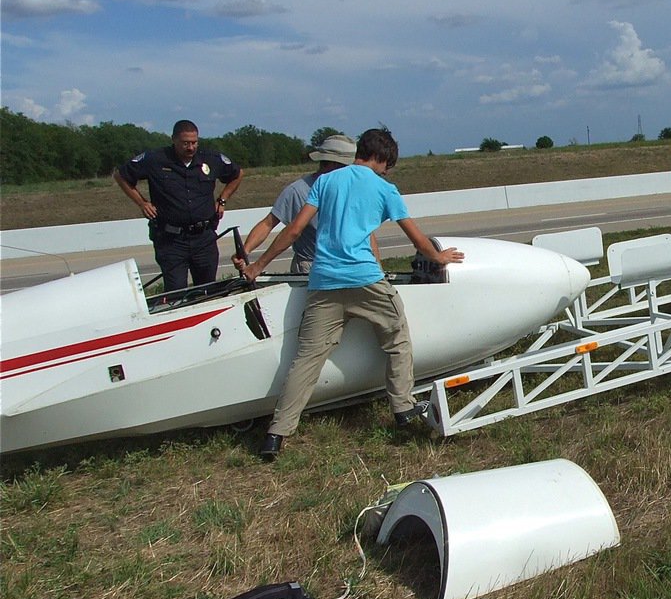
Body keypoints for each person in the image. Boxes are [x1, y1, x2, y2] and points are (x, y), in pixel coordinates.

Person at [242, 128, 464, 461]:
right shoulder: (385, 188)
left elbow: (294, 230)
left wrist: (258, 265)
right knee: (398, 338)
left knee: (306, 361)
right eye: (388, 166)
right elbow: (416, 239)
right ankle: (403, 407)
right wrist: (438, 257)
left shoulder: (324, 183)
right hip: (364, 279)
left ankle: (276, 434)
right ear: (383, 159)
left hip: (323, 281)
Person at [114, 119, 243, 292]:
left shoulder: (210, 159)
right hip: (171, 241)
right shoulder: (155, 159)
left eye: (194, 143)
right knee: (176, 291)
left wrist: (222, 199)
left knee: (208, 291)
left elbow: (237, 174)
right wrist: (142, 203)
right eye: (185, 143)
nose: (190, 148)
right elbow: (121, 176)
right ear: (174, 139)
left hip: (203, 238)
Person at [233, 134, 357, 275]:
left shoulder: (353, 188)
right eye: (347, 166)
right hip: (311, 267)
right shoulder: (298, 191)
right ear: (333, 164)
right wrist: (245, 250)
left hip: (348, 264)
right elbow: (268, 224)